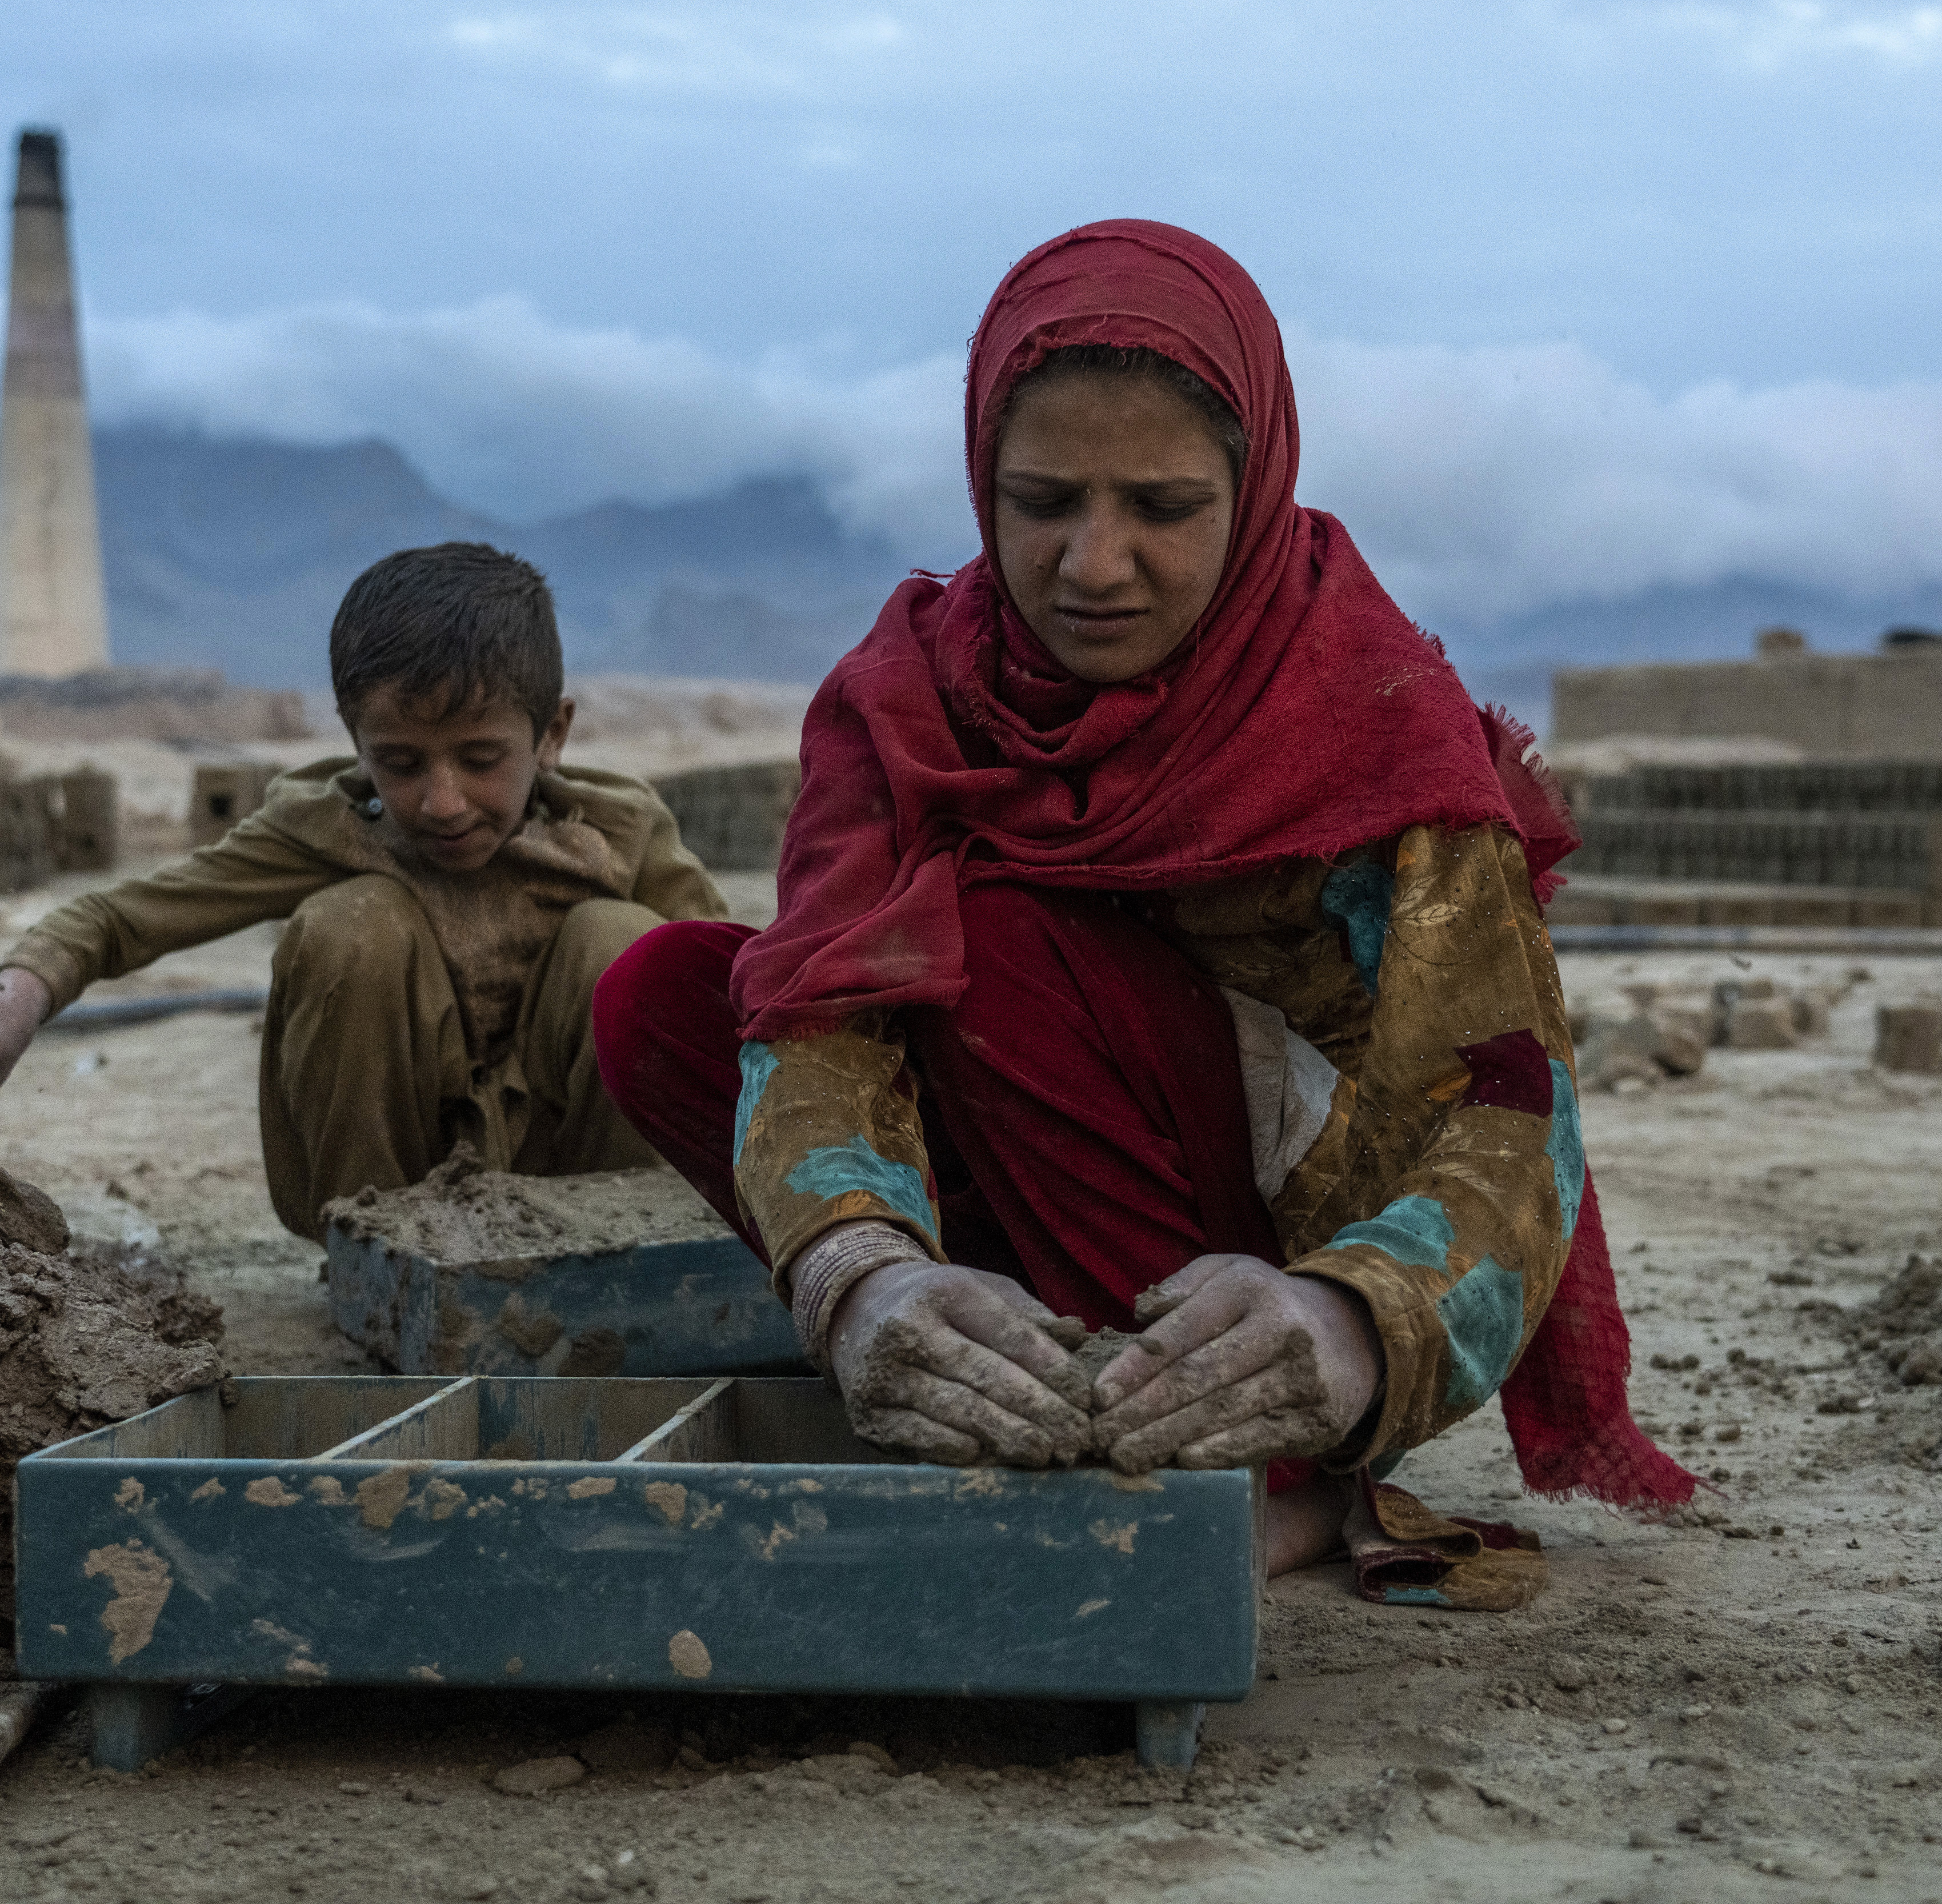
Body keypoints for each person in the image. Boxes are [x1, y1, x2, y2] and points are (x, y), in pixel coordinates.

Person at [592, 221, 1690, 1587]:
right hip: (1019, 1169)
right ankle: (1001, 1365)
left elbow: (1509, 1114)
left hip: (1271, 1277)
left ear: (1252, 485)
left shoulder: (1366, 715)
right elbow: (821, 1022)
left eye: (1161, 509)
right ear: (981, 481)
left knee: (989, 935)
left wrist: (1348, 1321)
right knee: (668, 993)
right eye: (1042, 501)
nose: (1092, 564)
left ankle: (1264, 1474)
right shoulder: (911, 694)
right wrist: (863, 1277)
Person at [0, 543, 724, 1237]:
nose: (442, 802)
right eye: (401, 763)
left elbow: (741, 991)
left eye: (480, 759)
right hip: (389, 1185)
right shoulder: (333, 827)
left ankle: (616, 1248)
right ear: (357, 743)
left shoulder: (617, 831)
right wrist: (3, 1015)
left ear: (552, 735)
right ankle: (379, 1251)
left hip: (580, 1192)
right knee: (353, 925)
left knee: (629, 946)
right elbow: (116, 919)